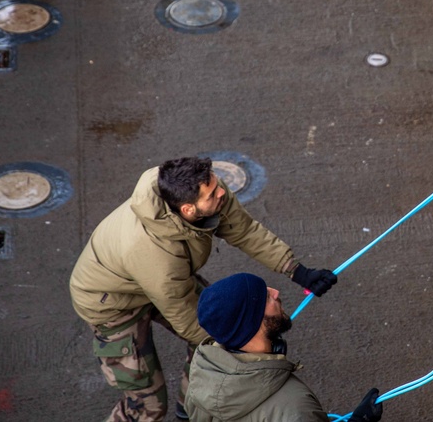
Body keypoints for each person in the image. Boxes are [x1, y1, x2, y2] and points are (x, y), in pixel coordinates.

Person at [69, 156, 339, 422]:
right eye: (211, 193)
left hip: (164, 280)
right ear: (188, 210)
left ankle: (192, 407)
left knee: (218, 328)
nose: (221, 191)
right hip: (112, 304)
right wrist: (241, 349)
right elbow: (184, 316)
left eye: (216, 184)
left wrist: (297, 270)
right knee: (146, 407)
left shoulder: (202, 189)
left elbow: (243, 230)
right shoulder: (154, 254)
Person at [186, 273, 384, 422]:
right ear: (253, 323)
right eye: (266, 297)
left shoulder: (200, 376)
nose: (276, 292)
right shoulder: (295, 406)